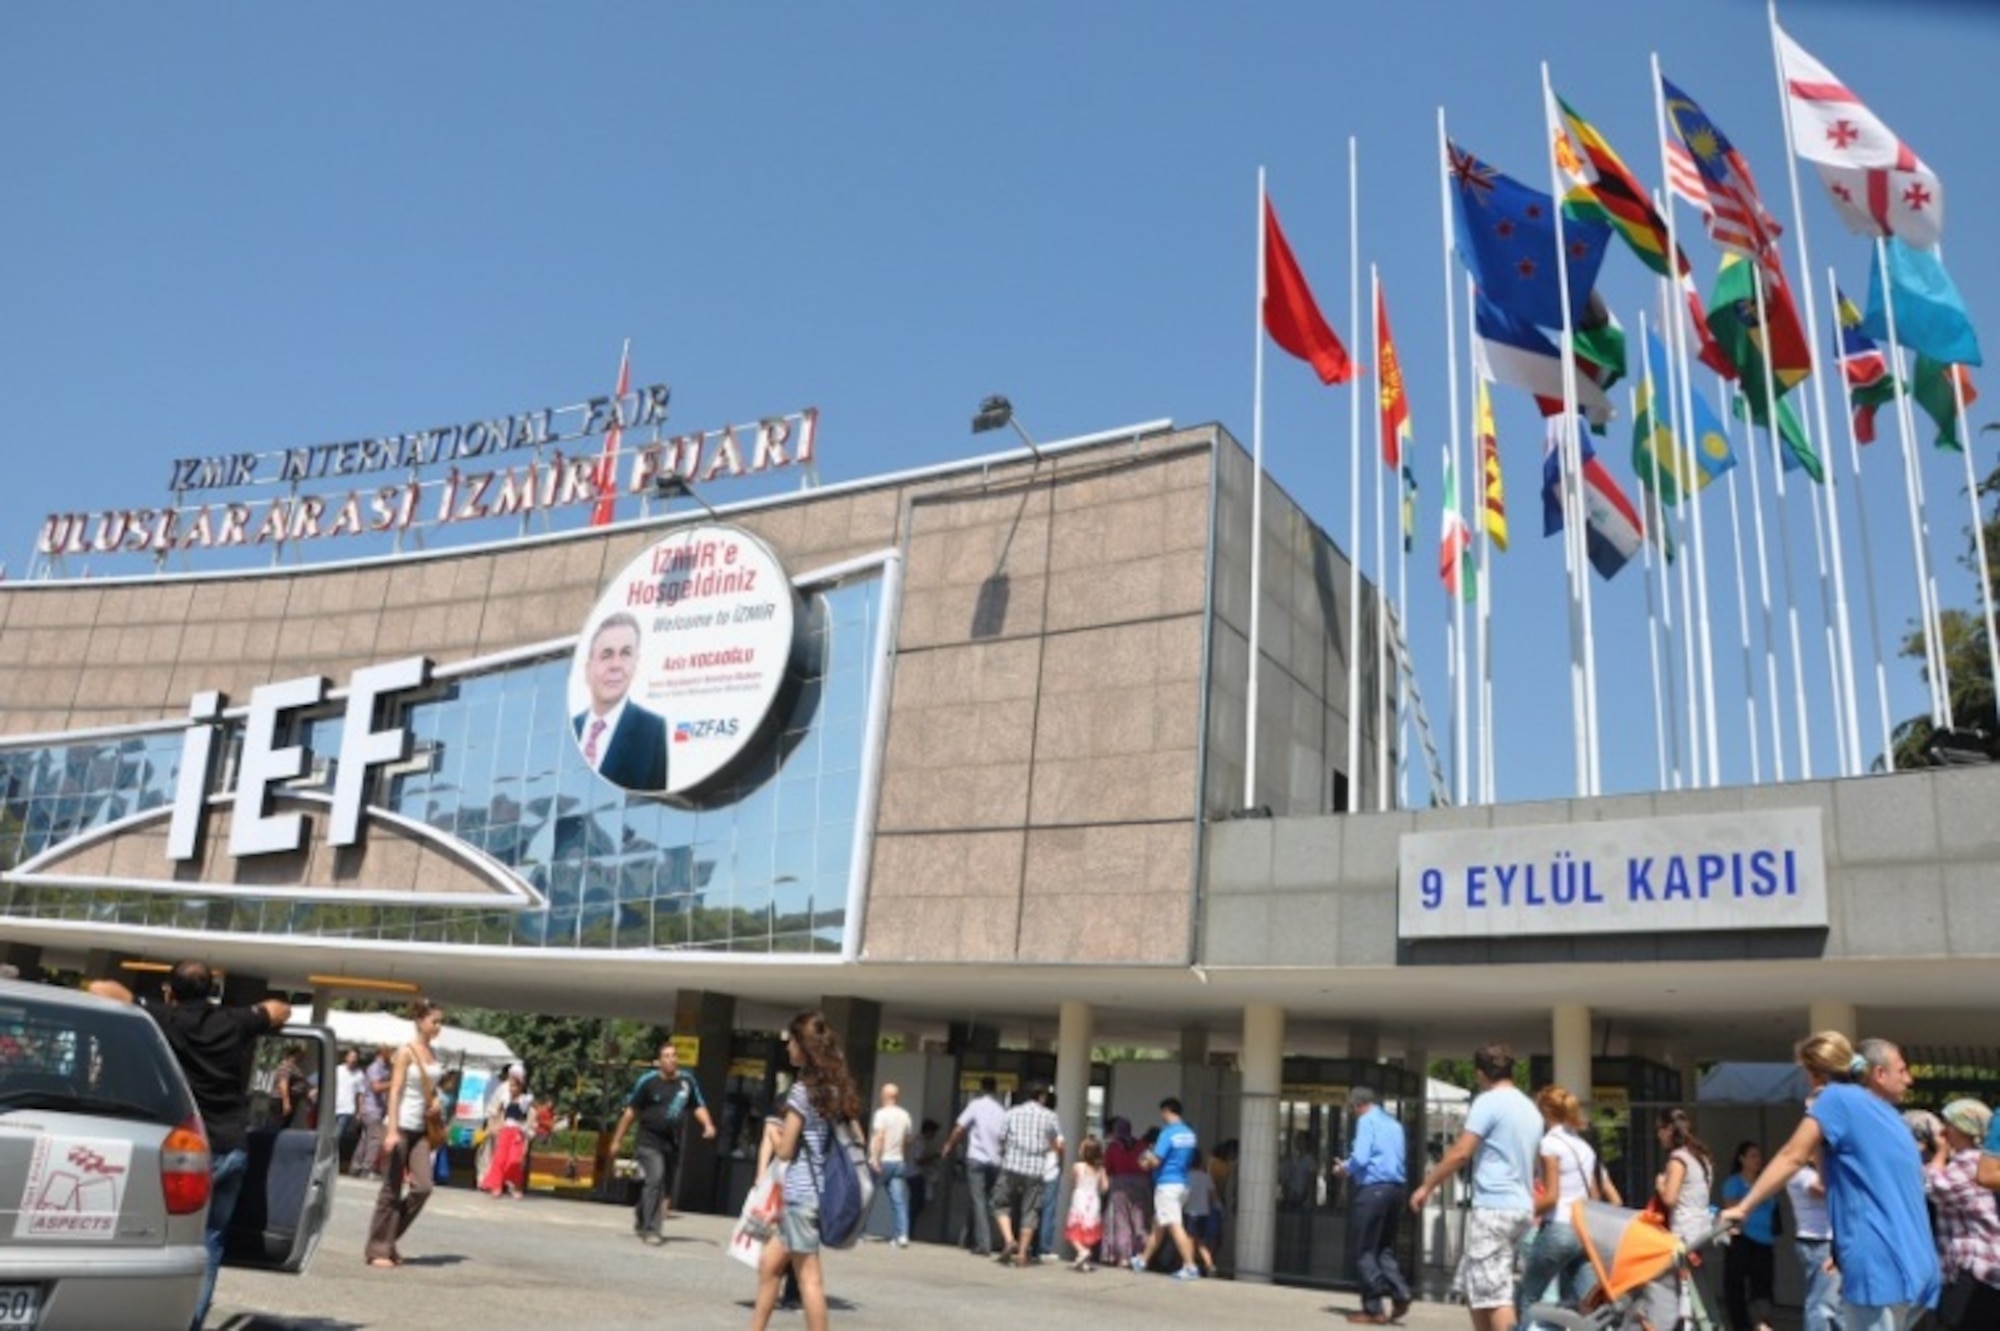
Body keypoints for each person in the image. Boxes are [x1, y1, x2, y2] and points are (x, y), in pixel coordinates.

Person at [89, 961, 291, 1331]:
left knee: (158, 1239)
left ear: (171, 991)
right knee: (211, 1242)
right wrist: (255, 1014)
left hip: (185, 1150)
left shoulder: (164, 1018)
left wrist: (148, 1002)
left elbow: (100, 988)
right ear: (211, 990)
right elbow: (280, 1009)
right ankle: (190, 1324)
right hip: (231, 1145)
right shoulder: (233, 1021)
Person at [1718, 1030, 1939, 1329]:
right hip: (1917, 1262)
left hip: (1878, 1261)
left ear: (1812, 1074)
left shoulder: (1835, 1099)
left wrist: (1744, 1208)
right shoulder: (1886, 1114)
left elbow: (1792, 1156)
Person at [1410, 1043, 1543, 1331]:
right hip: (1521, 1206)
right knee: (1474, 1285)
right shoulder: (1529, 1108)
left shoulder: (1488, 1102)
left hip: (1495, 1208)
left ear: (1481, 1074)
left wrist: (1427, 1186)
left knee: (1494, 1295)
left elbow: (1461, 1152)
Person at [749, 1010, 862, 1331]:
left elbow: (785, 1150)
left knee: (809, 1280)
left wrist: (774, 1135)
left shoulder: (802, 1091)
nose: (787, 1048)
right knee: (769, 1266)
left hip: (802, 1195)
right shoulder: (837, 1090)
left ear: (804, 1046)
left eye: (791, 1042)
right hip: (817, 1194)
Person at [364, 998, 448, 1269]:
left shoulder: (434, 1054)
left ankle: (387, 1240)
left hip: (422, 1129)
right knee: (390, 1190)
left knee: (423, 1187)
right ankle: (378, 1249)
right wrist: (390, 1131)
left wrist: (436, 1101)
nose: (438, 1027)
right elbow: (396, 1091)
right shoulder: (405, 1052)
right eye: (435, 1021)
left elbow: (429, 1088)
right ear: (420, 1021)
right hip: (399, 1126)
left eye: (440, 1022)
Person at [607, 1040, 717, 1242]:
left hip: (671, 1142)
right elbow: (630, 1113)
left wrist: (708, 1125)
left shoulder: (687, 1082)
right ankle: (651, 1229)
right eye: (666, 1056)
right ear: (659, 1061)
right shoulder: (648, 1082)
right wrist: (617, 1140)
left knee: (661, 1184)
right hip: (648, 1141)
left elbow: (698, 1105)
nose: (671, 1059)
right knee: (655, 1177)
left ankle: (642, 1214)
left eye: (674, 1055)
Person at [1518, 1086, 1606, 1317]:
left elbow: (1551, 1196)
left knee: (1529, 1297)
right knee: (1583, 1307)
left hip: (1559, 1228)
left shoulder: (1550, 1144)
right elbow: (1595, 1197)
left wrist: (1523, 1212)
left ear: (1545, 1111)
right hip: (1584, 1230)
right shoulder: (1585, 1147)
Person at [1334, 1085, 1413, 1325]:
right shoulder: (1394, 1124)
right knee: (1383, 1248)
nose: (1353, 1113)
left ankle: (1373, 1307)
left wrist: (1343, 1168)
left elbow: (1361, 1158)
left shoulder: (1367, 1121)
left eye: (1351, 1108)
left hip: (1373, 1189)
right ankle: (1401, 1292)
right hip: (1396, 1189)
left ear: (1358, 1105)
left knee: (1364, 1249)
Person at [1923, 1098, 2000, 1329]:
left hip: (1973, 1267)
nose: (1942, 1130)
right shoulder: (1985, 1163)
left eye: (1947, 1124)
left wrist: (1939, 1153)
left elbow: (1932, 1187)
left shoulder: (1970, 1163)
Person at [572, 611, 669, 792]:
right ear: (588, 669)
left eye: (625, 653)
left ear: (635, 663)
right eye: (607, 655)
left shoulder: (651, 731)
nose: (616, 665)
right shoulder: (570, 729)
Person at [991, 1080, 1063, 1268]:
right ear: (1042, 1097)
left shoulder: (1012, 1112)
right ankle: (1022, 1253)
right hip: (1035, 1169)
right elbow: (1057, 1143)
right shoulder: (1050, 1116)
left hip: (1012, 1165)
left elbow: (1001, 1138)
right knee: (1030, 1210)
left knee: (1000, 1203)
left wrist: (1004, 1153)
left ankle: (1008, 1240)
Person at [1131, 1096, 1201, 1281]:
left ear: (1166, 1111)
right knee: (1159, 1225)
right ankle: (1143, 1260)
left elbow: (1156, 1160)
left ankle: (1189, 1266)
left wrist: (1144, 1159)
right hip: (1183, 1183)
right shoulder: (1190, 1134)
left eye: (1162, 1113)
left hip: (1167, 1183)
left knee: (1174, 1224)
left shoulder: (1168, 1133)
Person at [940, 1075, 1007, 1256]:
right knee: (979, 1199)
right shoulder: (1002, 1110)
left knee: (978, 1201)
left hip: (976, 1158)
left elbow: (960, 1127)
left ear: (981, 1088)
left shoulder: (976, 1105)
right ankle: (966, 1238)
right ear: (995, 1089)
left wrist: (949, 1145)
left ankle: (984, 1244)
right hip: (995, 1161)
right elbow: (1004, 1138)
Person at [1720, 1141, 1779, 1331]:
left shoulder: (1766, 1182)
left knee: (1762, 1287)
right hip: (1742, 1239)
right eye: (1753, 1156)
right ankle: (1740, 1325)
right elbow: (1732, 1208)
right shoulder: (1734, 1182)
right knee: (1735, 1285)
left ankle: (1761, 1323)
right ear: (1742, 1159)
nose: (1758, 1160)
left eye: (1759, 1156)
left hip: (1764, 1240)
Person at [1785, 1150, 1842, 1331]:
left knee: (1832, 1298)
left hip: (1820, 1241)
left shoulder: (1802, 1174)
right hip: (1817, 1242)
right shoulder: (1803, 1175)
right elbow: (1821, 1191)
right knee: (1820, 1301)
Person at [1100, 1116, 1150, 1270]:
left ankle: (1124, 1258)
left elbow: (1108, 1169)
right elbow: (1148, 1165)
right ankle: (1142, 1255)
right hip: (1141, 1184)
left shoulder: (1113, 1147)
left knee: (1122, 1222)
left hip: (1120, 1184)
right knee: (1139, 1221)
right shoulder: (1141, 1145)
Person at [868, 1081, 914, 1247]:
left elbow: (879, 1136)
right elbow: (909, 1140)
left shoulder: (881, 1114)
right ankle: (902, 1235)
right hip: (898, 1161)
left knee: (867, 1196)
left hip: (883, 1160)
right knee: (898, 1201)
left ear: (885, 1096)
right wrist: (904, 1157)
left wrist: (875, 1157)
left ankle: (858, 1232)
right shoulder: (905, 1115)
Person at [479, 1063, 533, 1199]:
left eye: (514, 1084)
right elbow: (498, 1112)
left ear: (520, 1085)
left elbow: (531, 1115)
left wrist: (527, 1132)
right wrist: (494, 1126)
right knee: (499, 1159)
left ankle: (514, 1184)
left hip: (518, 1132)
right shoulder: (504, 1095)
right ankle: (495, 1186)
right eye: (510, 1083)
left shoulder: (525, 1099)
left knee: (514, 1160)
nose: (511, 1087)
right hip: (505, 1131)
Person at [352, 1044, 393, 1179]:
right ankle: (366, 1168)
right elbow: (376, 1087)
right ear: (383, 1051)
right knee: (374, 1139)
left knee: (365, 1139)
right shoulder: (375, 1067)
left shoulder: (384, 1068)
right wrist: (394, 1083)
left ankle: (356, 1166)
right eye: (391, 1051)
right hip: (373, 1109)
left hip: (374, 1109)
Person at [1065, 1135, 1106, 1271]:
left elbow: (1073, 1180)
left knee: (1074, 1230)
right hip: (1094, 1199)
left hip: (1080, 1198)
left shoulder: (1078, 1166)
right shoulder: (1100, 1169)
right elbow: (1105, 1187)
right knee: (1089, 1229)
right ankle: (1085, 1258)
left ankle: (1081, 1251)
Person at [334, 1047, 363, 1170]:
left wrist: (359, 1111)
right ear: (346, 1057)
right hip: (332, 1107)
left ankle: (333, 1160)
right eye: (351, 1056)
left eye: (355, 1057)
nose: (352, 1059)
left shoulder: (359, 1075)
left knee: (337, 1136)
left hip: (347, 1109)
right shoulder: (337, 1070)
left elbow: (360, 1094)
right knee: (329, 1135)